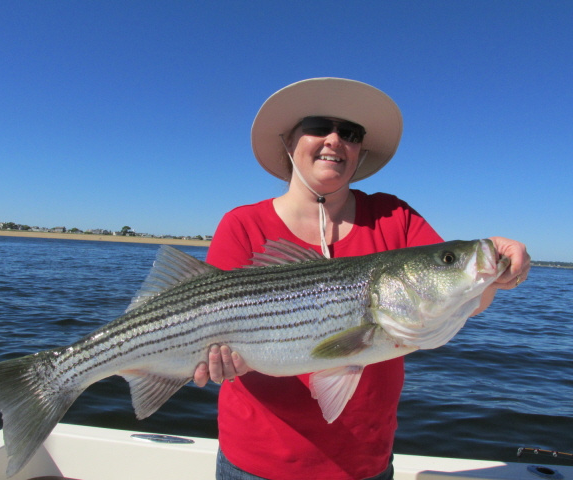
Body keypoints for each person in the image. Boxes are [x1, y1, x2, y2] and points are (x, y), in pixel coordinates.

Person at [193, 78, 531, 480]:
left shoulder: (395, 217)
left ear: (359, 151)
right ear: (289, 142)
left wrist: (494, 276)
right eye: (319, 126)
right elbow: (203, 331)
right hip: (257, 462)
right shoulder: (242, 224)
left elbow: (463, 301)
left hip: (365, 463)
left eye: (350, 134)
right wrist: (212, 363)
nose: (335, 140)